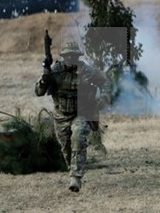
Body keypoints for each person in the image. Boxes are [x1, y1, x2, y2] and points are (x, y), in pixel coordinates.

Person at [35, 41, 111, 192]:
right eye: (67, 55)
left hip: (81, 113)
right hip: (61, 116)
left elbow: (104, 81)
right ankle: (73, 169)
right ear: (63, 57)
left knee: (77, 138)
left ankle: (75, 178)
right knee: (66, 148)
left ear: (78, 56)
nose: (70, 58)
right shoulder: (55, 71)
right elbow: (38, 91)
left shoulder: (87, 71)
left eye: (73, 55)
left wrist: (104, 97)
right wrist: (45, 78)